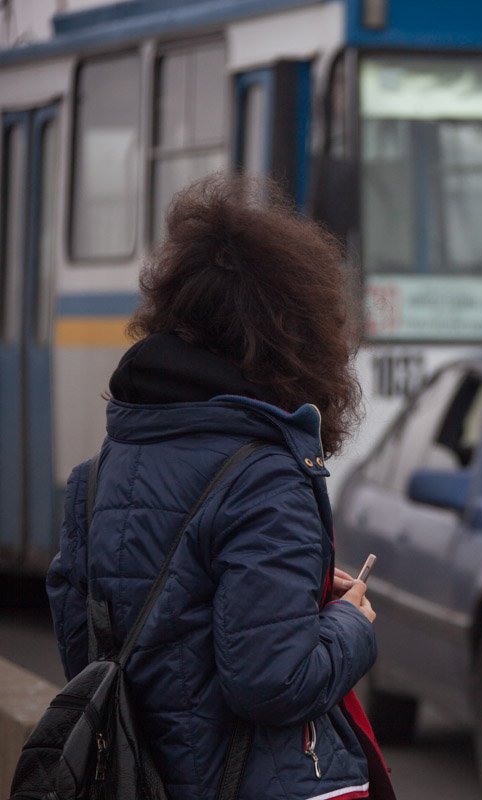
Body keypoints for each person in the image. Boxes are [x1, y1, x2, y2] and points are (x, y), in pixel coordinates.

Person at [46, 174, 394, 800]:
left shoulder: (96, 476)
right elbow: (272, 681)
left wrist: (299, 599)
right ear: (296, 334)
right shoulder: (266, 481)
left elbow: (88, 656)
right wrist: (350, 625)